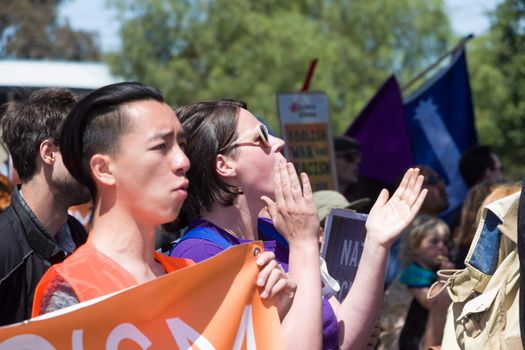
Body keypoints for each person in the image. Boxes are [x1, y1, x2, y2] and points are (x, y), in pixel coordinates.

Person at [169, 100, 427, 350]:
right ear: (224, 164)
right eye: (261, 137)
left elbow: (344, 342)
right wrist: (304, 243)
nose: (279, 143)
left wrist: (377, 242)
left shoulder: (274, 234)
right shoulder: (199, 256)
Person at [32, 83, 295, 317]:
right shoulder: (71, 290)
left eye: (181, 145)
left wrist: (268, 319)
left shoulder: (190, 275)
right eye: (160, 147)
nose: (183, 162)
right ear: (104, 169)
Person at [0, 88, 90, 326]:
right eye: (84, 147)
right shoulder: (4, 249)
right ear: (49, 152)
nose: (94, 161)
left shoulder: (79, 236)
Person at [379, 216, 453, 350]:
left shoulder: (430, 272)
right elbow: (430, 301)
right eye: (434, 242)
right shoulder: (414, 272)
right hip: (398, 338)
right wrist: (445, 277)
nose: (442, 247)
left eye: (445, 242)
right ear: (414, 248)